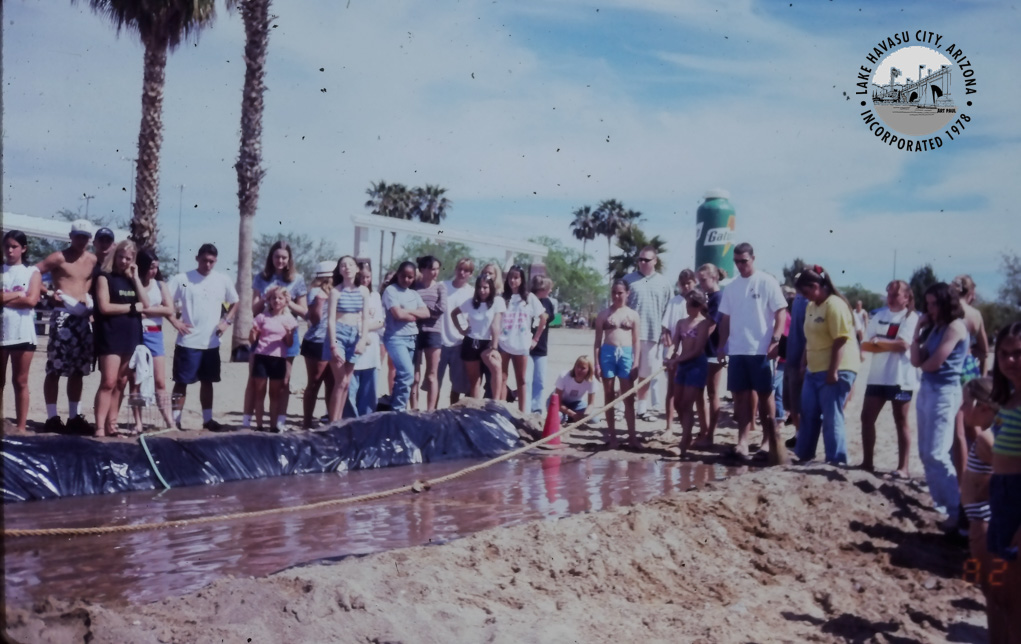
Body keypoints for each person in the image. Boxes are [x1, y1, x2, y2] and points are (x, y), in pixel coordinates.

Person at [716, 242, 788, 462]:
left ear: (753, 259)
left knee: (766, 397)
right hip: (738, 350)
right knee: (740, 399)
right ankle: (743, 442)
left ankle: (768, 442)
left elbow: (781, 312)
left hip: (761, 350)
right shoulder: (731, 286)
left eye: (744, 261)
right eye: (736, 261)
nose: (740, 265)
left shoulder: (767, 281)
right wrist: (722, 345)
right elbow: (725, 319)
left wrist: (775, 340)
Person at [910, 282, 969, 528]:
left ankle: (959, 512)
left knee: (936, 453)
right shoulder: (936, 327)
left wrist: (924, 361)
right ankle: (946, 507)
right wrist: (917, 331)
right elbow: (916, 360)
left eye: (935, 304)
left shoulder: (955, 328)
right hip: (927, 389)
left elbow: (933, 363)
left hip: (944, 392)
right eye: (929, 304)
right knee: (926, 453)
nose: (931, 309)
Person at [35, 220, 98, 434]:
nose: (81, 240)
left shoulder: (93, 260)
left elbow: (93, 282)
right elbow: (34, 273)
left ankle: (74, 417)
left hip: (82, 318)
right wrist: (48, 293)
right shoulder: (58, 257)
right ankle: (52, 417)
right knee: (55, 368)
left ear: (90, 239)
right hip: (62, 316)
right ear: (71, 236)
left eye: (85, 237)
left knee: (78, 370)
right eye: (78, 236)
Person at [167, 244, 239, 431]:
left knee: (208, 382)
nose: (208, 264)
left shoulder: (222, 279)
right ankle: (175, 421)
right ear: (197, 258)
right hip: (188, 340)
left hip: (211, 342)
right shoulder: (183, 279)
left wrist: (226, 322)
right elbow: (165, 300)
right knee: (181, 382)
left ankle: (208, 420)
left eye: (212, 261)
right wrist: (175, 322)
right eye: (205, 260)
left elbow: (235, 302)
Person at [793, 265, 859, 465]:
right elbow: (809, 338)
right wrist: (804, 363)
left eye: (806, 292)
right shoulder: (811, 307)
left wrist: (834, 370)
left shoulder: (835, 305)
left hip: (837, 369)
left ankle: (836, 460)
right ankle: (804, 455)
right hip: (814, 369)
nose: (804, 297)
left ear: (815, 286)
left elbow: (841, 339)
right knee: (808, 412)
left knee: (831, 416)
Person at [243, 241, 308, 430]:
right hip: (264, 331)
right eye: (277, 257)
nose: (280, 260)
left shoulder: (297, 279)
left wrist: (288, 302)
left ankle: (279, 421)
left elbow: (304, 311)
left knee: (283, 381)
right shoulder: (261, 278)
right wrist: (265, 298)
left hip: (286, 333)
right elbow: (254, 310)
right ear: (271, 258)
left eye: (284, 257)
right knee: (255, 379)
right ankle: (248, 420)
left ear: (289, 260)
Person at [859, 280, 919, 477]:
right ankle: (867, 463)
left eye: (895, 294)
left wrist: (880, 342)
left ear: (907, 297)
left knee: (901, 420)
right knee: (866, 417)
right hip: (877, 376)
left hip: (900, 378)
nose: (891, 298)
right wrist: (887, 344)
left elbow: (904, 345)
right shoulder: (880, 315)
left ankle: (903, 467)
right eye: (889, 294)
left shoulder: (911, 317)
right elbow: (866, 344)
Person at [92, 240, 149, 437]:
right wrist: (132, 308)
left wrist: (136, 279)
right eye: (121, 257)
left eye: (128, 258)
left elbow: (146, 303)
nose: (124, 261)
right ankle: (99, 427)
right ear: (114, 256)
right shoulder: (104, 277)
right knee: (108, 381)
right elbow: (104, 307)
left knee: (121, 382)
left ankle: (112, 425)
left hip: (131, 334)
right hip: (110, 333)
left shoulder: (131, 278)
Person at [986, 322, 1021, 640]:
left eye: (1018, 354)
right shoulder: (1009, 397)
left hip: (1017, 500)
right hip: (1001, 495)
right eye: (1004, 354)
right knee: (998, 590)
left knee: (1014, 597)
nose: (1010, 360)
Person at [625, 246, 673, 423]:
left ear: (655, 261)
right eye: (640, 259)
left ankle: (642, 409)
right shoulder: (627, 280)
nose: (643, 263)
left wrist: (667, 332)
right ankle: (624, 407)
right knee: (627, 373)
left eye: (646, 260)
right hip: (629, 336)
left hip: (653, 335)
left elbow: (670, 309)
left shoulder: (664, 283)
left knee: (646, 373)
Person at [1, 231, 42, 433]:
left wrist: (5, 297)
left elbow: (32, 300)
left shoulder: (31, 272)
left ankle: (21, 425)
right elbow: (23, 298)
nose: (10, 250)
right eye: (7, 246)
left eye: (14, 246)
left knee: (20, 380)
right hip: (2, 332)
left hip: (22, 332)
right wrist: (18, 293)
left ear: (23, 249)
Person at [666, 290, 714, 456]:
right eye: (686, 304)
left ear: (699, 306)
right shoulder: (681, 323)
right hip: (682, 365)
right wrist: (669, 356)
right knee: (678, 403)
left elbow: (697, 349)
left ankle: (683, 444)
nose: (686, 308)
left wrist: (677, 360)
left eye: (690, 305)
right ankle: (687, 435)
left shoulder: (704, 324)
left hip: (696, 365)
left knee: (687, 403)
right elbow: (674, 343)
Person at [594, 279, 641, 449]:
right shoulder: (603, 315)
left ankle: (632, 437)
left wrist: (636, 362)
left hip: (626, 354)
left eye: (620, 293)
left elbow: (636, 341)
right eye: (614, 292)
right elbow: (597, 342)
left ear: (627, 293)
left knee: (628, 396)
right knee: (609, 395)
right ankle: (612, 436)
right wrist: (597, 364)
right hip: (607, 353)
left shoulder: (633, 315)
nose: (616, 296)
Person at [324, 256, 370, 421]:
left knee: (347, 383)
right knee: (340, 381)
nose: (347, 267)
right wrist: (333, 343)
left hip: (354, 335)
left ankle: (339, 420)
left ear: (357, 269)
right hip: (339, 335)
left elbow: (365, 318)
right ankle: (333, 422)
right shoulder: (336, 291)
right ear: (339, 269)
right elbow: (330, 319)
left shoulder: (364, 291)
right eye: (343, 265)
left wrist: (363, 340)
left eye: (350, 264)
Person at [247, 286, 298, 431]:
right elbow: (252, 340)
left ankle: (274, 426)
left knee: (275, 394)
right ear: (268, 300)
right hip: (262, 357)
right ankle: (259, 425)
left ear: (285, 301)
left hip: (278, 359)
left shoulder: (290, 320)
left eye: (280, 298)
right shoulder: (261, 317)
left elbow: (289, 344)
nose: (276, 301)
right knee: (259, 392)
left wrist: (288, 334)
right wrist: (253, 332)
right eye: (273, 298)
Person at [135, 249, 176, 430]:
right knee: (135, 380)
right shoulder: (133, 283)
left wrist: (146, 310)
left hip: (155, 334)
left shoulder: (160, 285)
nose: (153, 271)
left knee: (160, 381)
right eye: (151, 267)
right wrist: (155, 308)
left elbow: (169, 310)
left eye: (156, 267)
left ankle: (169, 422)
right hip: (136, 333)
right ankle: (138, 422)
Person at [499, 266, 548, 414]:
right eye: (510, 277)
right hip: (503, 342)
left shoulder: (529, 298)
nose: (513, 280)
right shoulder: (502, 297)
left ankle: (522, 413)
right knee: (502, 378)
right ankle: (501, 411)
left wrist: (536, 339)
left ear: (521, 279)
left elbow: (543, 318)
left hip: (521, 344)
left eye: (516, 277)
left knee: (522, 380)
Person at [382, 261, 428, 411]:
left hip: (411, 338)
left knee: (404, 377)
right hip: (395, 338)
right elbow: (398, 314)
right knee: (407, 375)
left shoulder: (414, 294)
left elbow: (426, 313)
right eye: (403, 276)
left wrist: (408, 312)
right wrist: (414, 314)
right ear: (398, 274)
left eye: (410, 277)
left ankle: (393, 408)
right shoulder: (391, 290)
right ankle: (398, 410)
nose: (407, 280)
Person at [451, 274, 504, 400]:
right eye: (479, 287)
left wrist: (494, 348)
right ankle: (476, 409)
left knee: (496, 368)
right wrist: (461, 329)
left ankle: (495, 403)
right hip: (471, 342)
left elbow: (495, 325)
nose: (482, 290)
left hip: (488, 344)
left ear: (491, 288)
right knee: (475, 380)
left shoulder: (497, 302)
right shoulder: (470, 302)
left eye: (485, 287)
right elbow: (454, 313)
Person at [660, 269, 699, 437]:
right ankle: (669, 427)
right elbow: (666, 328)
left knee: (692, 392)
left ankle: (690, 428)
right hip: (675, 353)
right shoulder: (674, 302)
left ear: (694, 282)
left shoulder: (698, 300)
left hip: (693, 353)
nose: (686, 286)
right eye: (683, 283)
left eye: (689, 282)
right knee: (672, 390)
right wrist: (668, 342)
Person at [344, 261, 384, 418]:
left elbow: (380, 322)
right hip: (352, 348)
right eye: (361, 276)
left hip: (371, 351)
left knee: (369, 394)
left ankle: (367, 424)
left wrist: (363, 327)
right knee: (349, 391)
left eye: (367, 276)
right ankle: (350, 423)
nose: (364, 280)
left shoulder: (375, 296)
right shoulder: (347, 293)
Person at [301, 261, 336, 428]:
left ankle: (330, 420)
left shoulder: (338, 292)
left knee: (332, 383)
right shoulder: (315, 292)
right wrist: (320, 302)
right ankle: (307, 422)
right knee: (315, 382)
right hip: (317, 341)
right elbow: (314, 320)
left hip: (333, 341)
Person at [695, 263, 726, 448]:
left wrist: (697, 345)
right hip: (704, 350)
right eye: (699, 281)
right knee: (700, 392)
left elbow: (712, 324)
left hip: (713, 350)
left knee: (712, 392)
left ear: (714, 277)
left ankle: (710, 434)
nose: (701, 284)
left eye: (704, 280)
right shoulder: (708, 297)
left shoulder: (718, 297)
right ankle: (704, 430)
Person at [411, 256, 447, 411]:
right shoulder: (414, 287)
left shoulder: (440, 287)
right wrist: (423, 311)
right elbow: (408, 306)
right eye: (432, 268)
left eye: (437, 269)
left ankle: (430, 411)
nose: (435, 272)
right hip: (415, 332)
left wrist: (421, 311)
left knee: (432, 375)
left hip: (433, 333)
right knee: (415, 376)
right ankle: (414, 409)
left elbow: (441, 309)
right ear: (423, 269)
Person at [438, 258, 475, 406]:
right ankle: (432, 414)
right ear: (455, 269)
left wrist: (464, 330)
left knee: (458, 385)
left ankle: (454, 412)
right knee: (436, 382)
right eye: (460, 268)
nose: (462, 272)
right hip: (440, 341)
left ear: (471, 274)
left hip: (460, 343)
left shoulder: (472, 292)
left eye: (466, 270)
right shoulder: (442, 286)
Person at [783, 289, 809, 448]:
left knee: (798, 402)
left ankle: (802, 436)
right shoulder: (798, 301)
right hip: (792, 355)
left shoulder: (808, 303)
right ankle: (799, 434)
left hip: (800, 357)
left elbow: (810, 332)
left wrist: (804, 361)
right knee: (792, 402)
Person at [529, 276, 556, 414]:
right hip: (527, 346)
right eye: (548, 288)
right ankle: (526, 408)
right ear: (542, 288)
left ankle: (537, 408)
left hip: (541, 347)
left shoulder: (548, 303)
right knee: (527, 381)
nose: (550, 290)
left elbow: (549, 318)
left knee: (539, 380)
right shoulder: (527, 300)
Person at [552, 356, 599, 423]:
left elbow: (591, 404)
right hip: (558, 403)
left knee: (594, 419)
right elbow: (557, 402)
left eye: (583, 368)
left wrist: (585, 415)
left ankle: (570, 417)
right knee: (559, 417)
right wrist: (573, 414)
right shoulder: (564, 376)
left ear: (589, 370)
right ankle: (569, 417)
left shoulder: (591, 380)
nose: (579, 370)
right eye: (578, 366)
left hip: (576, 403)